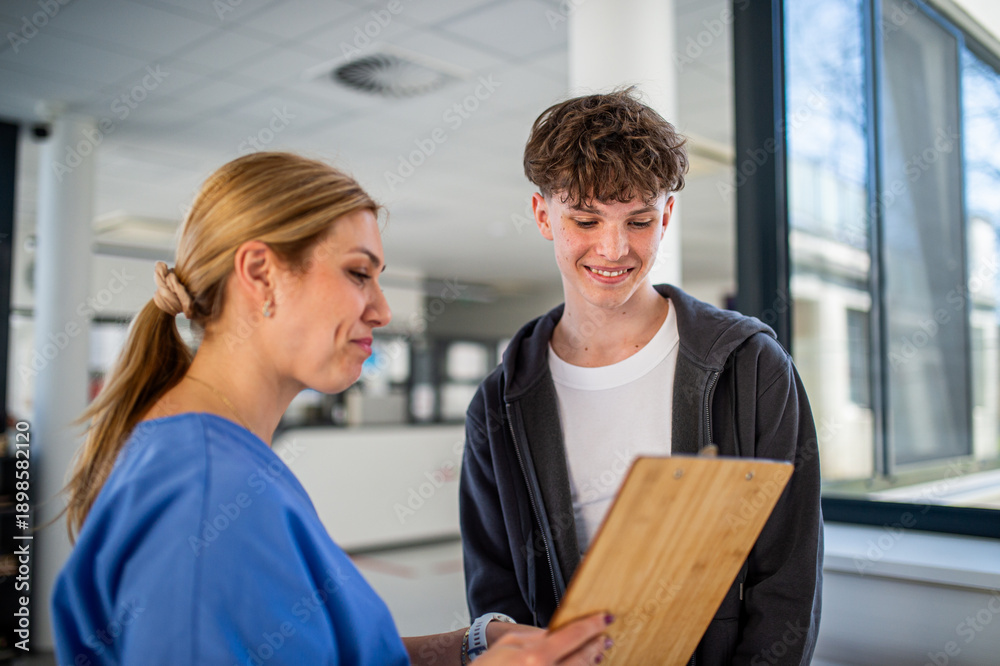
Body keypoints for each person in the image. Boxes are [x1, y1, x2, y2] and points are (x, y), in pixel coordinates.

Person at [52, 152, 616, 666]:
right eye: (357, 273)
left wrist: (463, 650)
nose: (381, 310)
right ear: (258, 274)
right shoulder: (205, 490)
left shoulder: (219, 460)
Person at [460, 89, 823, 664]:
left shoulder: (751, 368)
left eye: (639, 220)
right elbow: (495, 590)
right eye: (585, 219)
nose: (614, 248)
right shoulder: (499, 403)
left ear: (667, 217)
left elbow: (789, 578)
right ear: (542, 216)